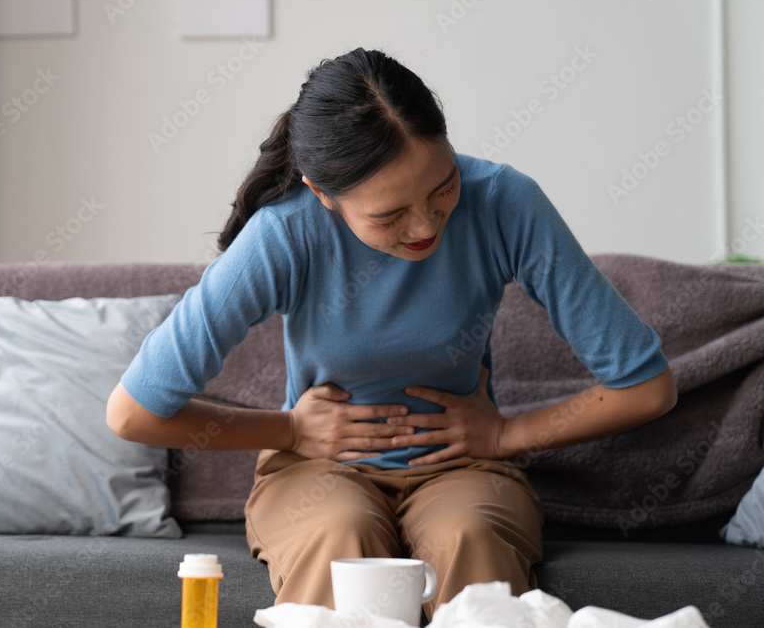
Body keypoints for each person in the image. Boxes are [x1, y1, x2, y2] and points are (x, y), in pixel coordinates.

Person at [107, 47, 677, 616]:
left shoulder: (505, 201)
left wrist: (506, 436)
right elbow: (134, 412)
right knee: (340, 536)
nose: (427, 225)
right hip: (316, 472)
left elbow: (646, 386)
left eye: (442, 187)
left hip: (465, 471)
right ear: (323, 194)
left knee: (468, 536)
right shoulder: (284, 234)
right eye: (389, 215)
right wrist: (289, 429)